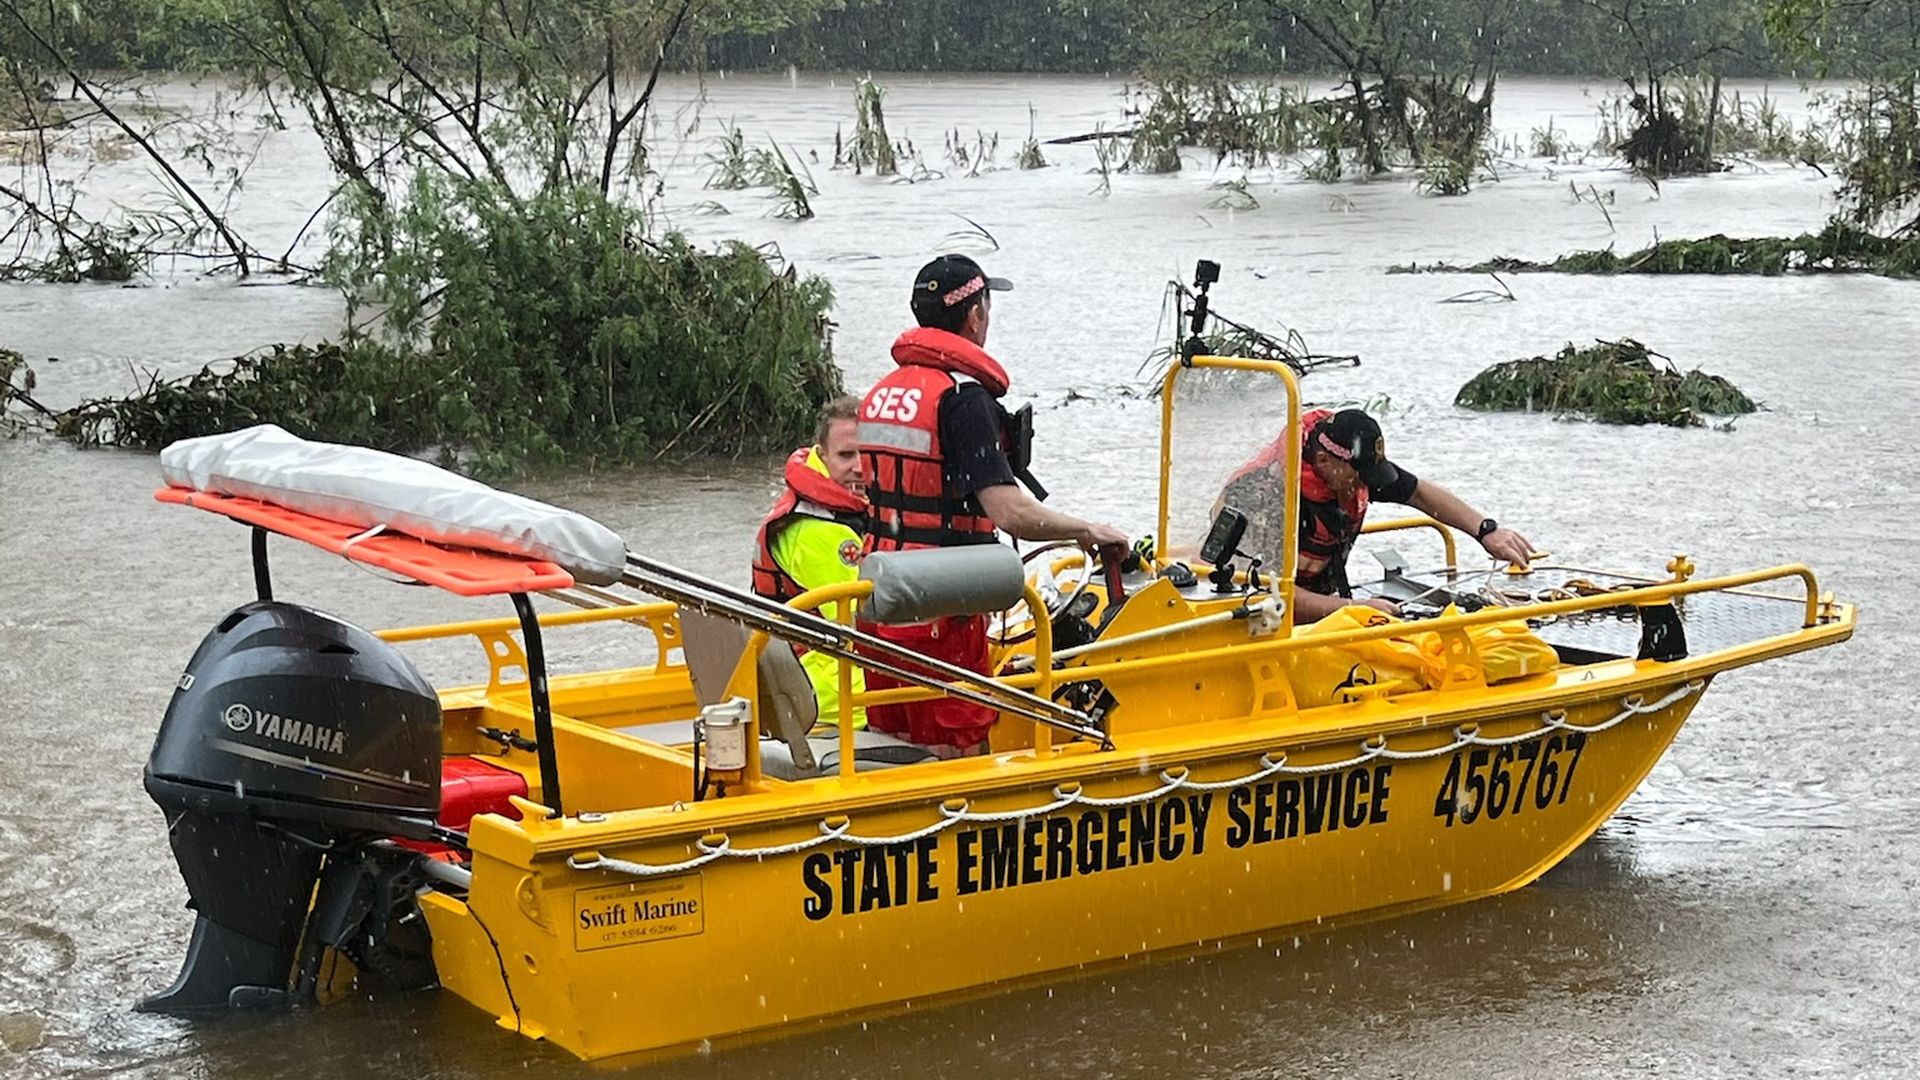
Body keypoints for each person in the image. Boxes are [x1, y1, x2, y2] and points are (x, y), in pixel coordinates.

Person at [857, 254, 1129, 753]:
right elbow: (1010, 513)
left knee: (891, 745)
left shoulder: (882, 394)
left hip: (879, 602)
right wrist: (1085, 530)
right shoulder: (963, 398)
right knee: (957, 748)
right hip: (943, 609)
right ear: (975, 315)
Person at [1211, 408, 1533, 620]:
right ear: (1324, 461)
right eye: (1360, 474)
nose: (1365, 483)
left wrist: (1485, 530)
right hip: (1256, 618)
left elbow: (1418, 492)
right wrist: (1353, 610)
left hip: (1327, 605)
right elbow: (1266, 595)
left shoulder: (1350, 471)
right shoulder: (1263, 498)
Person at [749, 396, 872, 729]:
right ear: (822, 455)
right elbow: (868, 623)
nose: (859, 466)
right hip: (835, 702)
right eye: (846, 455)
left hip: (802, 687)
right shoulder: (820, 533)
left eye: (867, 454)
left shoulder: (827, 508)